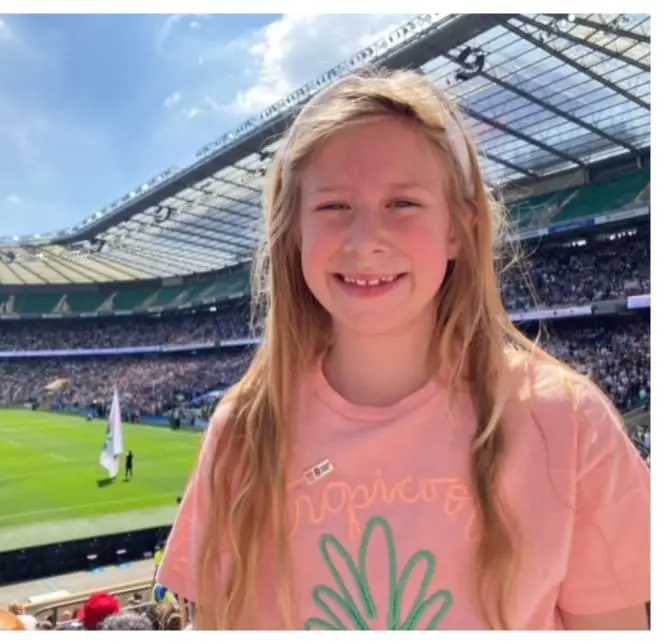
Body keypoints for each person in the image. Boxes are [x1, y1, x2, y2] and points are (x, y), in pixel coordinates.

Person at [157, 70, 650, 630]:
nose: (366, 239)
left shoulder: (566, 421)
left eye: (403, 203)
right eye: (334, 207)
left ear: (458, 229)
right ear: (293, 232)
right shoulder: (243, 430)